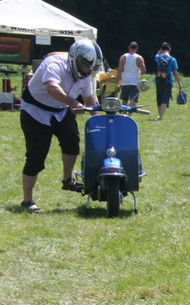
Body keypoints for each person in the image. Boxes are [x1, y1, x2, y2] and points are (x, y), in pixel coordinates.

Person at [18, 39, 101, 213]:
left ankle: (67, 180)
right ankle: (27, 200)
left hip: (61, 110)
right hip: (35, 110)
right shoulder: (54, 64)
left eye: (90, 67)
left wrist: (98, 119)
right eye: (84, 64)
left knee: (72, 141)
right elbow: (52, 88)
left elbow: (89, 97)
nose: (86, 69)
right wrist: (73, 103)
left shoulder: (84, 75)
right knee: (36, 154)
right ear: (75, 58)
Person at [152, 42, 185, 121]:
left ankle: (159, 115)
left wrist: (161, 49)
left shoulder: (158, 57)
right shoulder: (172, 59)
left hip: (158, 80)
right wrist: (179, 83)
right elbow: (175, 72)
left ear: (162, 49)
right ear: (169, 49)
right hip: (168, 81)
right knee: (165, 98)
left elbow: (157, 54)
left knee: (159, 98)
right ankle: (161, 117)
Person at [116, 41, 146, 107]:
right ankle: (130, 112)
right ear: (136, 49)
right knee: (133, 100)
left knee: (124, 100)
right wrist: (139, 73)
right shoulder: (139, 58)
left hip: (125, 81)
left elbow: (119, 70)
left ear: (129, 47)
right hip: (134, 82)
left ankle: (124, 112)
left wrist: (117, 83)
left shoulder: (123, 57)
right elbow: (143, 70)